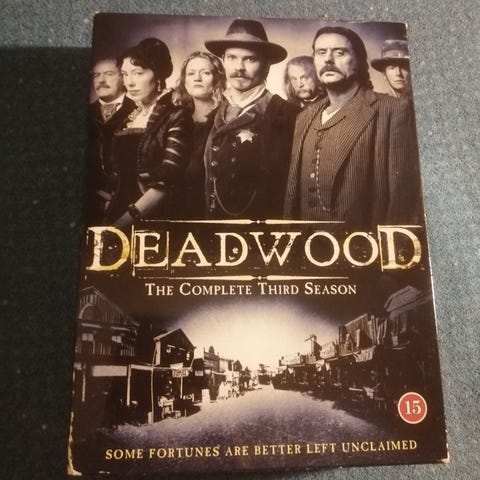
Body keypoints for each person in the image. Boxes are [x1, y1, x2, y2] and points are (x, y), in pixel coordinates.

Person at [284, 26, 421, 229]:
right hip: (306, 245)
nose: (328, 60)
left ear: (359, 62)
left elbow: (402, 203)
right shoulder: (303, 118)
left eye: (340, 52)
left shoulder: (393, 110)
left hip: (361, 245)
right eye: (321, 52)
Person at [204, 19, 299, 219]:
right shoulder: (212, 115)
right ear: (223, 61)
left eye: (250, 59)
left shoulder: (288, 115)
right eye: (232, 57)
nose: (239, 67)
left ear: (266, 66)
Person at [105, 38, 192, 227]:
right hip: (115, 215)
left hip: (151, 218)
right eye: (125, 74)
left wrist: (120, 225)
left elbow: (169, 178)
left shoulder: (176, 116)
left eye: (138, 73)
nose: (129, 82)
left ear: (158, 75)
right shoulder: (128, 119)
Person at [173, 51, 226, 218]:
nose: (197, 78)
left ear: (217, 80)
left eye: (205, 73)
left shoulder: (226, 120)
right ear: (185, 82)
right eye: (191, 73)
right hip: (175, 209)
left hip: (211, 211)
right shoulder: (175, 119)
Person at [86, 57, 135, 224]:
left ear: (123, 77)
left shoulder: (140, 110)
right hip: (89, 202)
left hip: (128, 202)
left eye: (109, 74)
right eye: (96, 75)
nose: (101, 80)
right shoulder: (85, 113)